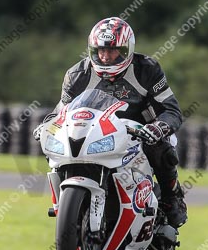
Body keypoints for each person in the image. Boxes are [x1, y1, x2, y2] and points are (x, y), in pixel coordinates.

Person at [35, 16, 187, 228]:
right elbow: (60, 112)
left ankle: (172, 199)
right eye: (100, 50)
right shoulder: (77, 74)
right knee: (59, 149)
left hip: (139, 132)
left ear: (126, 50)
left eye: (112, 50)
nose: (105, 57)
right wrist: (46, 126)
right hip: (98, 133)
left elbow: (171, 109)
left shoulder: (147, 69)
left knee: (162, 147)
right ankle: (68, 208)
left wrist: (157, 127)